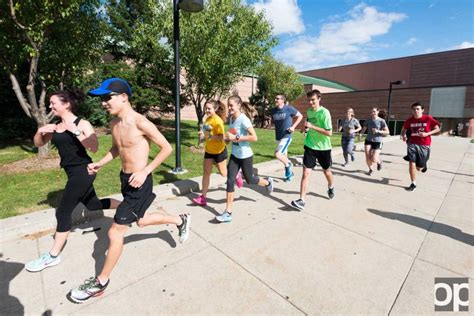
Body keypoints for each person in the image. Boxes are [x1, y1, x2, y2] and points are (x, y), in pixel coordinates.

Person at [69, 78, 191, 303]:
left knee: (115, 232)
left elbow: (166, 148)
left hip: (141, 182)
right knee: (142, 221)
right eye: (102, 99)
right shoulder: (115, 124)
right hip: (126, 180)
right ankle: (180, 220)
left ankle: (101, 282)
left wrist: (145, 171)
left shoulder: (140, 122)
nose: (104, 103)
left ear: (123, 97)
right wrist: (100, 163)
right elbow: (116, 149)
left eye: (107, 97)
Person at [26, 88, 120, 273]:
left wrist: (76, 132)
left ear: (66, 104)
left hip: (84, 171)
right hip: (72, 172)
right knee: (93, 205)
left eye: (53, 103)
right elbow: (39, 143)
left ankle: (52, 256)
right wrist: (40, 131)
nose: (50, 106)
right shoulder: (57, 126)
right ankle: (127, 207)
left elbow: (94, 147)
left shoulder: (81, 123)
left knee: (62, 212)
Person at [215, 96, 274, 223]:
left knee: (250, 179)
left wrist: (236, 137)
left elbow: (254, 137)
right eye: (228, 105)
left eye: (231, 105)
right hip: (235, 155)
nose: (229, 108)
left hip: (246, 156)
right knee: (230, 181)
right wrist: (227, 139)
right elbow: (232, 136)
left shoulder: (243, 119)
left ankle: (268, 182)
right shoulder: (232, 119)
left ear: (238, 106)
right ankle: (228, 212)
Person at [290, 89, 335, 211]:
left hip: (324, 148)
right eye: (309, 100)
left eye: (313, 100)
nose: (310, 102)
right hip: (310, 146)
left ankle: (331, 186)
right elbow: (308, 126)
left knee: (327, 172)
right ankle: (302, 200)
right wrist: (305, 130)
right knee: (305, 173)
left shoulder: (325, 113)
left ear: (319, 99)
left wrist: (312, 127)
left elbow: (329, 132)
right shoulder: (309, 111)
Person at [193, 100, 229, 206]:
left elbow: (222, 137)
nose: (207, 110)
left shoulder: (218, 122)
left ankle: (236, 175)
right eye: (206, 108)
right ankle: (203, 198)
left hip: (219, 151)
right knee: (206, 173)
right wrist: (202, 136)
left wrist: (209, 136)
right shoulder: (207, 120)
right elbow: (206, 135)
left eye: (209, 108)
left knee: (224, 173)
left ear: (215, 109)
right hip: (209, 151)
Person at [400, 101, 440, 192]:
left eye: (418, 109)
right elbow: (404, 129)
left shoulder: (428, 118)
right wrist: (403, 135)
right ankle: (413, 183)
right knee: (411, 163)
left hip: (424, 145)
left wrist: (427, 134)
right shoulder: (409, 120)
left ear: (422, 110)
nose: (416, 111)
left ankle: (423, 165)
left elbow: (437, 128)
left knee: (419, 167)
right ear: (412, 111)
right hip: (412, 143)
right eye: (414, 109)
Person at [270, 93, 303, 181]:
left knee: (277, 154)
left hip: (286, 135)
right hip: (278, 136)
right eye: (275, 98)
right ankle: (289, 175)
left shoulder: (289, 108)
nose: (275, 100)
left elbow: (300, 116)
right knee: (284, 156)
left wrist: (293, 127)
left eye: (277, 98)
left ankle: (289, 164)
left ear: (282, 100)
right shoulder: (273, 111)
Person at [360, 107, 389, 175]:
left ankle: (379, 162)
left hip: (378, 141)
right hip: (368, 140)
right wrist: (360, 134)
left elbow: (387, 132)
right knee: (367, 156)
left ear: (377, 112)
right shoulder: (368, 120)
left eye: (374, 111)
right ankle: (371, 169)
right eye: (371, 112)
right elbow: (364, 128)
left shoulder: (382, 121)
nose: (372, 113)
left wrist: (378, 131)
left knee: (374, 158)